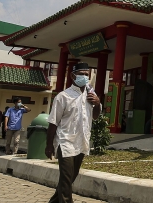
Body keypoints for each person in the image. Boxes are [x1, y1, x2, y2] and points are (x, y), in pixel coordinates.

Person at [45, 62, 101, 203]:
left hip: (81, 142)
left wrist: (98, 103)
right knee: (66, 179)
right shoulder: (63, 97)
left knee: (70, 178)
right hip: (65, 143)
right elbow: (53, 123)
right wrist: (49, 145)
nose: (84, 77)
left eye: (87, 75)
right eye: (81, 74)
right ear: (73, 76)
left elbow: (95, 116)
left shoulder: (90, 95)